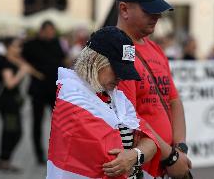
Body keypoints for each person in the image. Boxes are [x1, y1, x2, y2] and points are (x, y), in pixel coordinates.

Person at [47, 26, 161, 179]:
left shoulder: (116, 97)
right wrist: (137, 155)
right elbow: (111, 162)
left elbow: (152, 141)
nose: (121, 78)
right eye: (117, 69)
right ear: (95, 60)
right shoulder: (73, 97)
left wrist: (134, 156)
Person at [115, 0, 192, 178]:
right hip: (142, 168)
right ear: (124, 10)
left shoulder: (155, 49)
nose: (157, 15)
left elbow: (173, 100)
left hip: (165, 165)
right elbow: (130, 118)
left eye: (158, 9)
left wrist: (180, 149)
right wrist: (171, 157)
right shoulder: (116, 52)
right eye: (148, 10)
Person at [0, 37, 43, 173]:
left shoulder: (13, 61)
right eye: (16, 46)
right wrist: (22, 72)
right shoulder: (6, 64)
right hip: (8, 103)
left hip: (13, 103)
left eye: (20, 47)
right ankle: (3, 160)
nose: (19, 49)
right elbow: (9, 84)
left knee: (13, 131)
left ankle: (4, 160)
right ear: (9, 47)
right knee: (12, 131)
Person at [22, 20, 67, 164]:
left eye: (52, 31)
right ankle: (39, 154)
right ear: (41, 30)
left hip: (55, 90)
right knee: (37, 122)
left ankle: (59, 152)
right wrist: (32, 71)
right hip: (38, 90)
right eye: (48, 31)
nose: (50, 33)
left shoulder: (56, 43)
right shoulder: (31, 44)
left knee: (59, 123)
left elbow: (62, 60)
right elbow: (19, 59)